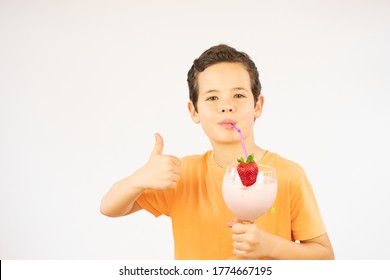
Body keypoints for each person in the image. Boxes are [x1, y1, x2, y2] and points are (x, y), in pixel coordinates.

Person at [100, 44, 335, 260]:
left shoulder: (287, 174)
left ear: (258, 106)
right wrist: (137, 181)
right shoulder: (183, 174)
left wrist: (271, 246)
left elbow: (325, 257)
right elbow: (109, 208)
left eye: (239, 95)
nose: (226, 105)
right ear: (194, 111)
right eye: (212, 97)